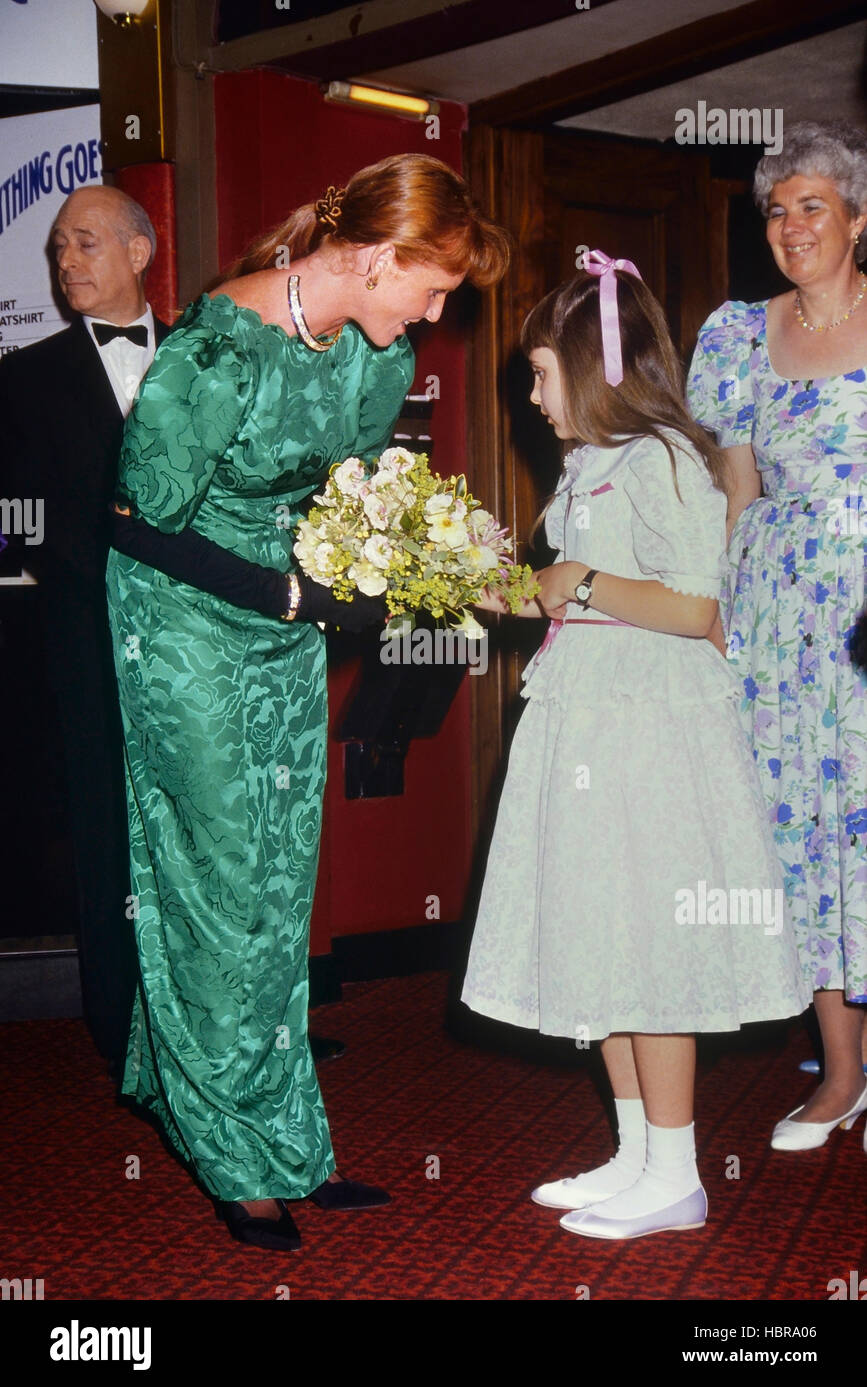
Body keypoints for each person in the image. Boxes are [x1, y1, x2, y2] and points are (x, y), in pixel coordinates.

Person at [104, 154, 511, 1251]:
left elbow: (356, 494)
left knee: (278, 873)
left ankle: (278, 1132)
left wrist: (425, 563)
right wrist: (290, 590)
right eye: (430, 288)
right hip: (182, 616)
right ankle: (231, 1149)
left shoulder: (379, 360)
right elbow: (138, 522)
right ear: (375, 256)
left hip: (288, 622)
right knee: (218, 867)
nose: (435, 314)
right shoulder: (215, 351)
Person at [465, 255, 810, 1241]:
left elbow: (696, 605)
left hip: (652, 729)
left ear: (596, 366)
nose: (531, 396)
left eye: (539, 373)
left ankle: (680, 1171)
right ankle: (635, 1154)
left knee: (651, 950)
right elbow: (568, 588)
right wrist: (498, 583)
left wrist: (573, 583)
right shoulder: (585, 464)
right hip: (588, 715)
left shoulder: (663, 454)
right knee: (604, 937)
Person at [687, 120, 867, 1152]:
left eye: (813, 206)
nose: (792, 226)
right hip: (781, 616)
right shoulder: (736, 334)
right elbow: (737, 489)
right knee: (805, 833)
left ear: (856, 219)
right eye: (776, 209)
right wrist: (714, 611)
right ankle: (841, 1072)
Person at [0, 186, 169, 1071]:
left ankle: (221, 1033)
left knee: (205, 832)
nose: (67, 265)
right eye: (59, 249)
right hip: (82, 643)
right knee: (107, 832)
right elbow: (12, 511)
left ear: (141, 252)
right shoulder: (22, 377)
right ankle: (121, 1030)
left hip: (198, 642)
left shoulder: (205, 362)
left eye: (86, 244)